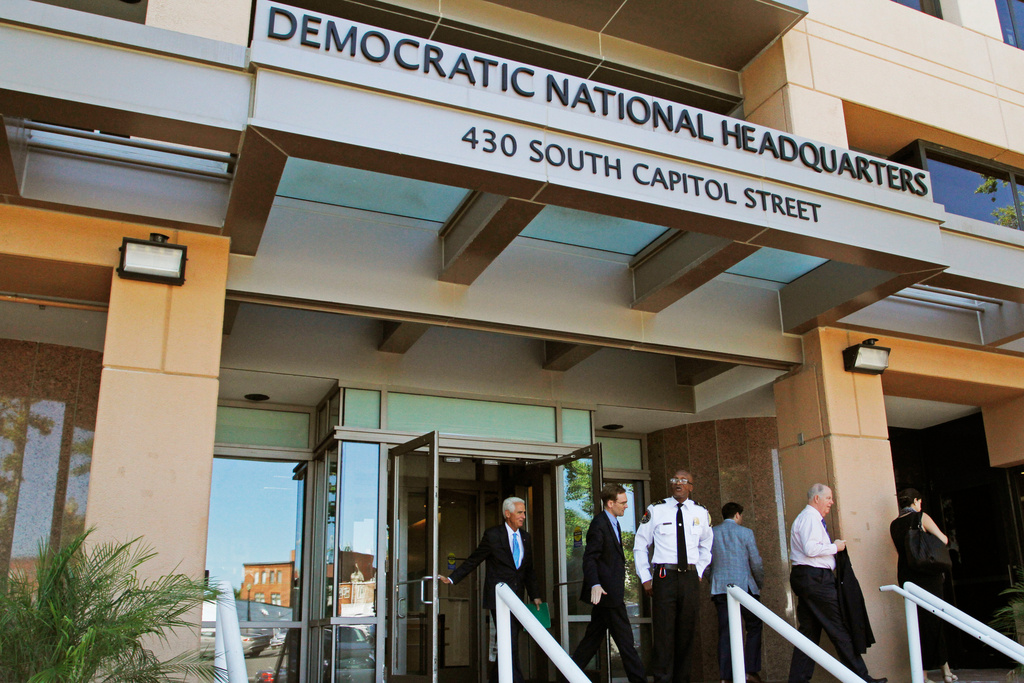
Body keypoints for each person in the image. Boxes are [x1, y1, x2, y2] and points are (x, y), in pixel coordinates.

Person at [787, 483, 886, 683]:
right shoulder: (810, 519)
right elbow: (811, 549)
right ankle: (861, 678)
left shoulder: (809, 519)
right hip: (815, 580)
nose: (831, 502)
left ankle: (797, 680)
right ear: (817, 498)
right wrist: (835, 547)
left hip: (808, 579)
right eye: (828, 498)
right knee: (839, 627)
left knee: (808, 633)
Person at [441, 496, 542, 683]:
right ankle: (516, 679)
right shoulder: (493, 535)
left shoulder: (526, 537)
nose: (523, 516)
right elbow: (475, 559)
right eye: (520, 512)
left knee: (508, 640)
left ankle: (497, 679)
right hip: (499, 599)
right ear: (507, 514)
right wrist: (453, 578)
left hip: (517, 598)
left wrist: (535, 595)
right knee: (510, 640)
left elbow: (528, 570)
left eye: (524, 513)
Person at [634, 469, 713, 683]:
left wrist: (699, 570)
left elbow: (707, 544)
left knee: (686, 633)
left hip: (689, 577)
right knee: (664, 633)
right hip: (664, 576)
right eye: (675, 480)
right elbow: (640, 545)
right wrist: (645, 577)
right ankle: (662, 679)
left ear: (691, 487)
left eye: (683, 480)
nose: (678, 483)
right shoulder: (656, 509)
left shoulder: (700, 512)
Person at [569, 484, 645, 683]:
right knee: (627, 643)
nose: (627, 506)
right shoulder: (599, 524)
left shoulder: (613, 523)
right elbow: (590, 557)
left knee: (590, 642)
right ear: (610, 503)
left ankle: (565, 676)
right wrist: (594, 583)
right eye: (623, 502)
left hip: (609, 595)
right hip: (608, 595)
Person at [890, 488, 956, 683]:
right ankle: (931, 673)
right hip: (927, 575)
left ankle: (939, 671)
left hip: (907, 575)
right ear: (916, 501)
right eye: (920, 502)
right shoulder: (921, 517)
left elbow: (900, 551)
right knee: (935, 621)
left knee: (918, 623)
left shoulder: (894, 525)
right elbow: (943, 539)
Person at [709, 502, 764, 683]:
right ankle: (750, 670)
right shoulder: (746, 533)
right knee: (754, 625)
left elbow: (706, 564)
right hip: (745, 587)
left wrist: (714, 579)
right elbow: (755, 561)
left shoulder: (712, 533)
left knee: (726, 631)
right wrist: (759, 582)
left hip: (720, 589)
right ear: (737, 515)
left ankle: (725, 677)